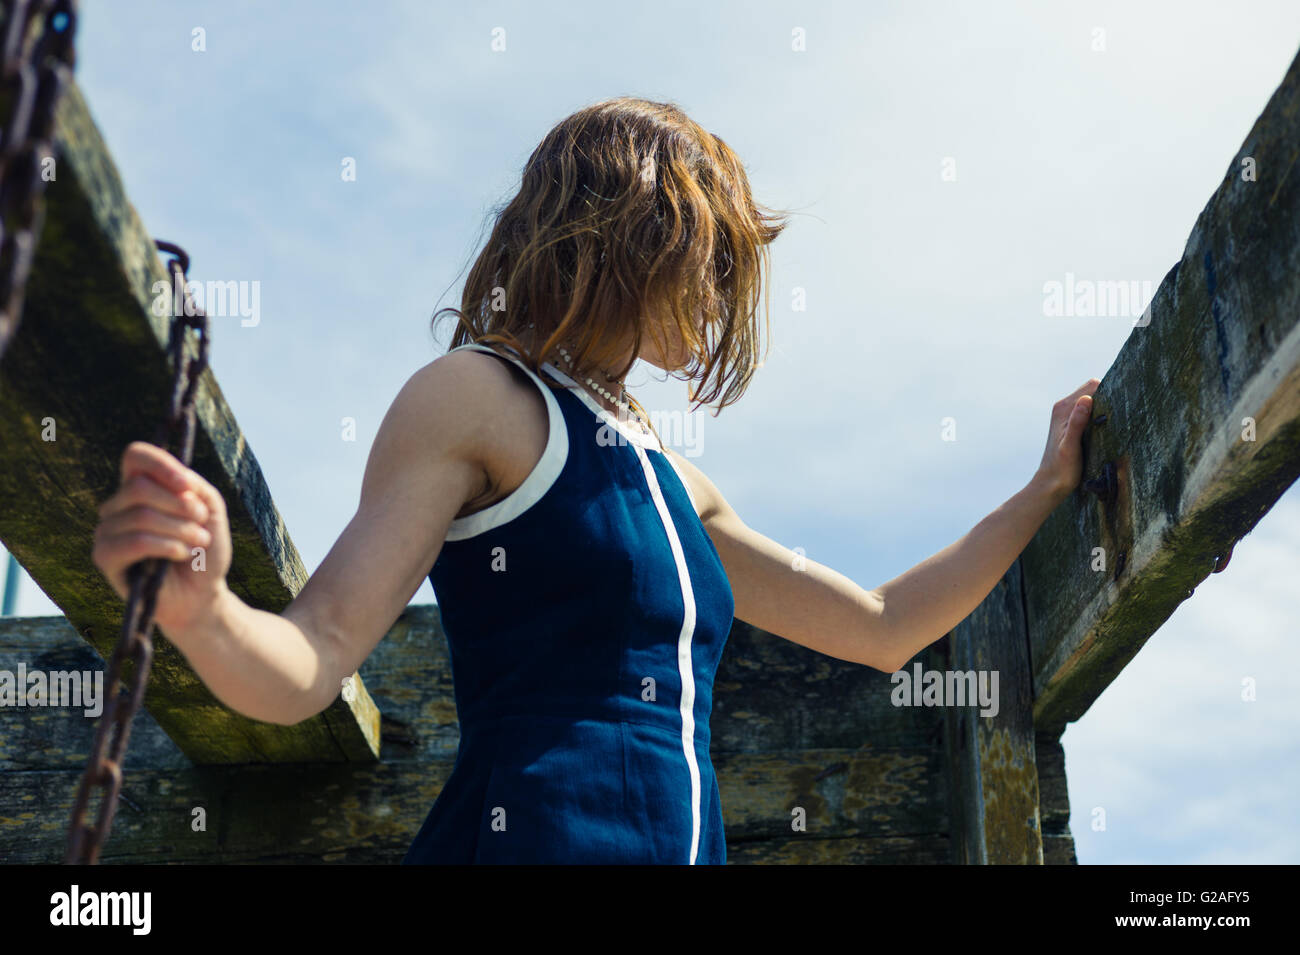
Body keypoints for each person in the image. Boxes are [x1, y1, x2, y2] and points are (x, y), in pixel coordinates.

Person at [91, 97, 1099, 864]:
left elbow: (880, 623)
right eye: (712, 256)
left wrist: (1042, 489)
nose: (720, 296)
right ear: (637, 227)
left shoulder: (677, 484)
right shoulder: (472, 399)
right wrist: (202, 608)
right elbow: (312, 655)